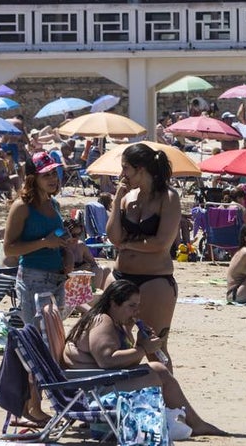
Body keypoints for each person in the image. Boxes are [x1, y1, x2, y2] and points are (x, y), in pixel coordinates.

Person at [62, 279, 226, 438]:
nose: (137, 311)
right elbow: (107, 361)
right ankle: (194, 423)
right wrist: (143, 349)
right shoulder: (102, 321)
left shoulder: (117, 323)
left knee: (158, 370)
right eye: (131, 306)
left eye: (138, 306)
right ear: (113, 303)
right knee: (158, 370)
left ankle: (190, 421)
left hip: (96, 382)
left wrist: (140, 343)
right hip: (88, 388)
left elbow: (122, 364)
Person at [105, 143, 183, 364]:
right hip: (121, 275)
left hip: (154, 279)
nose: (122, 174)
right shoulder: (127, 198)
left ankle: (167, 388)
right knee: (113, 342)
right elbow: (114, 236)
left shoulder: (168, 197)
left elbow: (161, 243)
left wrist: (128, 245)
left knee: (154, 346)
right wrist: (117, 199)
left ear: (140, 169)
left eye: (125, 168)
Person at [4, 151, 71, 326]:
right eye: (46, 175)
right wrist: (44, 243)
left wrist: (66, 247)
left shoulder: (54, 204)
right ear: (33, 179)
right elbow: (9, 249)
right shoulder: (22, 207)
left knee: (54, 334)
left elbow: (55, 236)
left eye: (54, 173)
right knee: (39, 335)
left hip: (57, 277)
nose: (53, 178)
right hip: (33, 278)